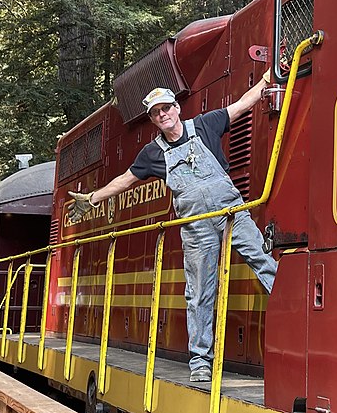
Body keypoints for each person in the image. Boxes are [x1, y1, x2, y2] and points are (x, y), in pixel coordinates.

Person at [67, 75, 277, 383]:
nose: (163, 114)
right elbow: (125, 180)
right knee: (200, 294)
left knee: (264, 262)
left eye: (166, 108)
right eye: (156, 112)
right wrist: (92, 199)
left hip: (233, 215)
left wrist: (266, 78)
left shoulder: (206, 125)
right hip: (195, 229)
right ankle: (201, 361)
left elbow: (243, 104)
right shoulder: (152, 154)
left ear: (176, 108)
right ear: (152, 119)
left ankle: (301, 320)